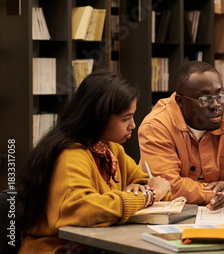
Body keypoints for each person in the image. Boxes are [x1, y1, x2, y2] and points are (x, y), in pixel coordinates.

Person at [17, 70, 170, 254]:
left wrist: (140, 187)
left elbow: (148, 183)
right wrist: (148, 196)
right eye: (125, 118)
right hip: (60, 248)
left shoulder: (111, 149)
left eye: (132, 116)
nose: (133, 125)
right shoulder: (71, 154)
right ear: (99, 117)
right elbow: (82, 209)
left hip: (97, 245)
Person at [138, 61, 224, 210]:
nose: (216, 104)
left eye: (220, 95)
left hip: (222, 215)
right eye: (205, 99)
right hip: (172, 215)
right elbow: (167, 186)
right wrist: (223, 195)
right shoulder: (157, 126)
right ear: (180, 101)